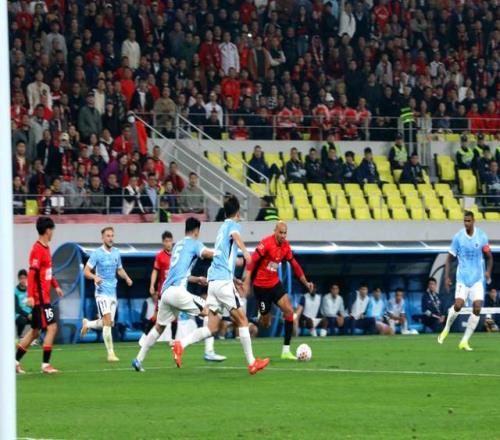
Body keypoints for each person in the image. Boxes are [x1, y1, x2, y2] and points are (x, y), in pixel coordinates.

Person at [172, 196, 270, 375]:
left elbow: (223, 258)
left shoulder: (221, 228)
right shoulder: (233, 226)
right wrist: (246, 252)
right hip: (222, 282)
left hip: (215, 282)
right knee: (242, 320)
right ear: (238, 213)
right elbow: (236, 237)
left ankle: (181, 344)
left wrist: (233, 279)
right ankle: (252, 363)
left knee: (212, 327)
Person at [131, 217, 223, 372]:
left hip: (166, 293)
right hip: (178, 292)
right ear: (196, 231)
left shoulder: (178, 246)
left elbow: (181, 273)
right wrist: (225, 252)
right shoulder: (194, 243)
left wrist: (197, 279)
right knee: (211, 312)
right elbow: (208, 254)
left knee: (159, 327)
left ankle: (138, 359)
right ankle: (207, 351)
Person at [243, 221, 314, 359]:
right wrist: (247, 280)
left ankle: (286, 351)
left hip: (275, 284)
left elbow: (295, 265)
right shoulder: (266, 243)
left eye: (285, 233)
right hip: (261, 287)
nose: (283, 235)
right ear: (275, 231)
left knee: (289, 311)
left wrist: (306, 282)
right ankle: (258, 317)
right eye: (280, 232)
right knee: (266, 324)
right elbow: (253, 261)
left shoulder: (286, 246)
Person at [438, 211, 493, 350]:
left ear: (473, 221)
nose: (466, 223)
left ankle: (464, 341)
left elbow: (489, 257)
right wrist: (446, 277)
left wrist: (488, 271)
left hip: (477, 279)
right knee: (458, 305)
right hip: (462, 278)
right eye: (465, 221)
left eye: (468, 221)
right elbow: (449, 259)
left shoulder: (482, 236)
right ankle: (446, 328)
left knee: (477, 307)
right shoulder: (458, 237)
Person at [15, 217, 64, 374]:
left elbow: (48, 272)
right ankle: (45, 365)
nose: (53, 233)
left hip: (44, 297)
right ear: (47, 230)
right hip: (41, 299)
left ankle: (14, 362)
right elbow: (32, 273)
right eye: (52, 230)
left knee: (35, 332)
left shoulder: (46, 248)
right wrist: (30, 295)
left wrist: (56, 286)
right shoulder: (37, 249)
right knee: (52, 327)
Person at [80, 227, 133, 362]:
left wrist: (127, 278)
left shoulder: (116, 252)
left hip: (112, 293)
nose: (110, 238)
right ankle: (111, 354)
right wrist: (94, 277)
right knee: (108, 322)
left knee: (107, 323)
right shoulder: (97, 254)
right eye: (108, 236)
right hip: (101, 292)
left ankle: (88, 324)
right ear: (103, 238)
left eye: (112, 236)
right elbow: (86, 271)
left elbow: (119, 269)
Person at [14, 269, 32, 339]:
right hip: (19, 316)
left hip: (29, 314)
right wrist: (27, 315)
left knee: (39, 317)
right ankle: (19, 336)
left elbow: (32, 303)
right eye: (21, 278)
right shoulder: (15, 291)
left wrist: (32, 313)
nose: (23, 280)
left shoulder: (29, 290)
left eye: (24, 278)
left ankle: (33, 338)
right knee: (23, 320)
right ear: (18, 279)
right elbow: (17, 308)